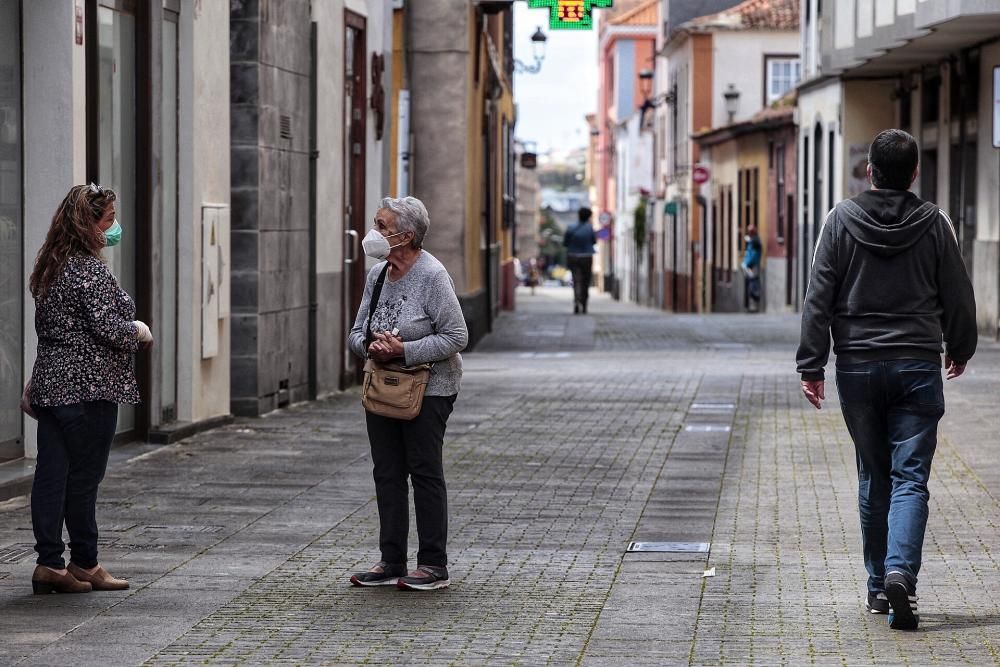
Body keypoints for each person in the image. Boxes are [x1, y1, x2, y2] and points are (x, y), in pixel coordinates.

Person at [796, 129, 977, 630]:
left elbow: (818, 297)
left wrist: (812, 364)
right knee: (910, 478)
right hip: (918, 364)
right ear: (915, 172)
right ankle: (901, 572)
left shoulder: (839, 221)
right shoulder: (936, 223)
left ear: (870, 170)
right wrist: (960, 347)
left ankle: (879, 587)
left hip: (857, 366)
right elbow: (958, 292)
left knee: (873, 474)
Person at [20, 183, 153, 595]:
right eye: (109, 221)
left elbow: (53, 332)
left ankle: (49, 564)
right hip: (88, 390)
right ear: (88, 225)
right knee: (84, 479)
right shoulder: (89, 270)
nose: (114, 229)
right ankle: (86, 561)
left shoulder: (51, 266)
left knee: (50, 475)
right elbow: (106, 327)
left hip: (51, 387)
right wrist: (138, 331)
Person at [348, 196, 468, 591]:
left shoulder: (432, 275)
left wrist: (405, 350)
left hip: (430, 389)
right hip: (384, 387)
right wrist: (371, 346)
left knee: (424, 471)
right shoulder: (378, 275)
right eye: (376, 224)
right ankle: (391, 560)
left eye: (382, 226)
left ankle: (433, 564)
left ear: (407, 235)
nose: (375, 233)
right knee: (387, 473)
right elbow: (356, 332)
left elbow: (456, 336)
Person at [563, 207, 597, 314]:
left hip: (573, 256)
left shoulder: (570, 227)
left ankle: (576, 300)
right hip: (586, 257)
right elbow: (594, 241)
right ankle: (584, 303)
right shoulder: (590, 228)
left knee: (576, 279)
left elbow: (565, 243)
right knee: (585, 281)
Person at [741, 224, 762, 311]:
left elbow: (753, 255)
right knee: (750, 284)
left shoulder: (755, 242)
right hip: (749, 266)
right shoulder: (753, 241)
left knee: (753, 285)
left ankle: (753, 306)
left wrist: (746, 264)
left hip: (752, 266)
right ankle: (751, 305)